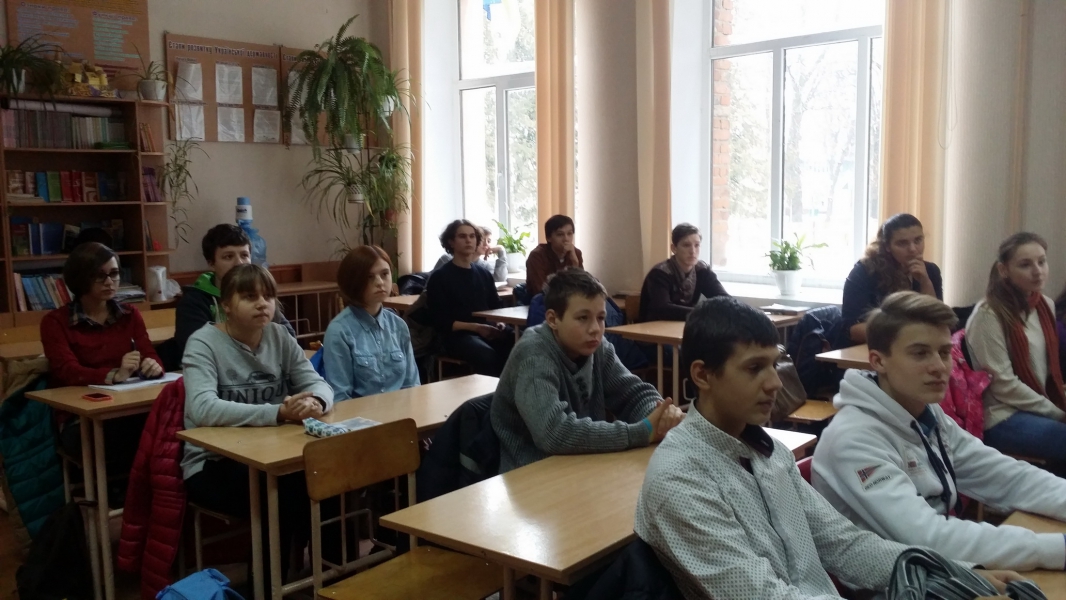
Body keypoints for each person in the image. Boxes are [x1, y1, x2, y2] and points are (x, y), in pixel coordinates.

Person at [633, 297, 1021, 599]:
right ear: (702, 375)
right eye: (754, 368)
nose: (775, 383)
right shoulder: (681, 479)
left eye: (774, 365)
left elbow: (845, 544)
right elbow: (764, 596)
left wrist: (956, 575)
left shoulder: (770, 453)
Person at [813, 291, 1066, 571]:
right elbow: (928, 538)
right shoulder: (853, 440)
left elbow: (1006, 477)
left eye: (944, 352)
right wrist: (1058, 548)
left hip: (936, 571)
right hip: (891, 584)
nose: (939, 367)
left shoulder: (925, 413)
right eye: (920, 353)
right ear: (878, 361)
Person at [181, 264, 333, 581]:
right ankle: (267, 585)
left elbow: (318, 383)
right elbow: (202, 408)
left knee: (329, 476)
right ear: (226, 304)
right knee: (283, 492)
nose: (262, 304)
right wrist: (277, 413)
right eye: (250, 297)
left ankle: (331, 576)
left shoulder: (279, 335)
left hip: (271, 454)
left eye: (268, 296)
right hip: (213, 462)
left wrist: (315, 402)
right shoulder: (203, 343)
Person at [491, 269, 683, 472]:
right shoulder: (534, 354)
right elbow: (553, 433)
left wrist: (661, 415)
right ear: (553, 320)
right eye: (583, 318)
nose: (595, 329)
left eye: (601, 318)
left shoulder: (597, 347)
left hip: (583, 462)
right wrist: (640, 432)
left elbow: (633, 394)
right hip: (531, 472)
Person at [41, 242, 165, 471]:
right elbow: (67, 371)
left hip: (126, 409)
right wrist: (114, 375)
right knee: (134, 435)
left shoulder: (129, 314)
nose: (110, 282)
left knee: (163, 425)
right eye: (100, 276)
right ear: (81, 278)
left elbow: (150, 355)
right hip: (80, 418)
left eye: (114, 273)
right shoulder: (56, 322)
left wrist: (152, 366)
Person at [965, 232, 1066, 465]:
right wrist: (1057, 412)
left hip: (1039, 405)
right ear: (1004, 270)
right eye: (1025, 265)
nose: (1037, 271)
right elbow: (1002, 385)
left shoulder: (1045, 305)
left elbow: (1047, 373)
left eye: (1042, 262)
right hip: (1001, 415)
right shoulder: (989, 315)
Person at [174, 224, 295, 358]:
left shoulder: (260, 295)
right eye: (228, 257)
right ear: (211, 263)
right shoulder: (195, 301)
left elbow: (289, 339)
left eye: (244, 255)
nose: (239, 263)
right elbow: (196, 349)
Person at [323, 245, 419, 401]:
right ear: (353, 281)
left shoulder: (398, 325)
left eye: (385, 274)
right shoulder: (339, 331)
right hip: (360, 414)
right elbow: (340, 396)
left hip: (402, 411)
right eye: (369, 277)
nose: (380, 282)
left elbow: (412, 385)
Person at [426, 220, 514, 377]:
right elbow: (440, 321)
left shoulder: (484, 274)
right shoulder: (440, 277)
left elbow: (496, 306)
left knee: (519, 344)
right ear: (451, 242)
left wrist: (500, 323)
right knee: (487, 355)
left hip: (487, 330)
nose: (468, 240)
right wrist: (477, 328)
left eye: (472, 236)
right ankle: (490, 392)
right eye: (462, 236)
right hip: (456, 335)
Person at [840, 213, 943, 346]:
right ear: (887, 247)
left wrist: (925, 282)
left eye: (918, 240)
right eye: (902, 243)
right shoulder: (865, 272)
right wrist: (905, 336)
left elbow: (937, 321)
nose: (913, 249)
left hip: (915, 347)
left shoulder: (930, 271)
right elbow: (853, 329)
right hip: (867, 348)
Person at [638, 223, 728, 322]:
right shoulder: (660, 274)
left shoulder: (702, 271)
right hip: (653, 328)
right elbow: (662, 309)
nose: (693, 251)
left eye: (697, 245)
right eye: (686, 245)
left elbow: (724, 300)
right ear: (674, 248)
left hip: (684, 325)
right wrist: (702, 313)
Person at [525, 214, 583, 297]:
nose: (566, 239)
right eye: (560, 234)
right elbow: (540, 290)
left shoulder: (576, 253)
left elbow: (583, 288)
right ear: (549, 238)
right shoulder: (537, 256)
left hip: (571, 300)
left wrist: (575, 263)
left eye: (569, 234)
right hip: (543, 301)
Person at [434, 224, 508, 283]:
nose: (486, 244)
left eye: (489, 241)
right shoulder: (446, 259)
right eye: (482, 240)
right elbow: (431, 283)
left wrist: (501, 250)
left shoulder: (485, 266)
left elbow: (499, 281)